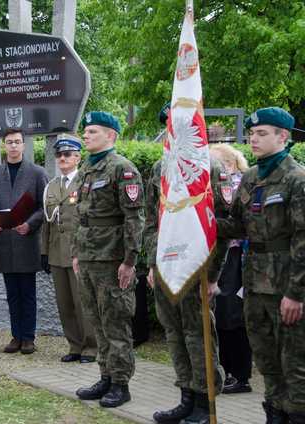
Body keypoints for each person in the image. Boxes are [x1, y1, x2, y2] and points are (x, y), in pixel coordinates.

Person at [218, 107, 305, 424]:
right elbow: (238, 226)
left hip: (286, 287)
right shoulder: (252, 178)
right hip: (254, 283)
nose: (253, 138)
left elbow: (303, 240)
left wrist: (296, 293)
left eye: (262, 133)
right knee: (267, 359)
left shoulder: (297, 180)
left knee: (294, 362)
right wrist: (204, 222)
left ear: (283, 137)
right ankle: (275, 413)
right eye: (252, 133)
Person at [145, 105, 230, 424]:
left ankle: (204, 399)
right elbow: (155, 221)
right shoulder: (159, 167)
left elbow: (220, 223)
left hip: (198, 267)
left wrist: (214, 274)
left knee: (198, 334)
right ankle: (185, 396)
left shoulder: (210, 166)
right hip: (167, 268)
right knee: (175, 333)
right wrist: (153, 265)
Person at [72, 111, 144, 408]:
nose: (85, 136)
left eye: (92, 132)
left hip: (112, 259)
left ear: (110, 136)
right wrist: (76, 254)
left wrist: (129, 261)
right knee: (97, 322)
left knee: (116, 323)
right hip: (89, 257)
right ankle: (105, 375)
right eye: (85, 132)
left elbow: (134, 219)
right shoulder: (86, 170)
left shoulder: (122, 169)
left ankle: (120, 383)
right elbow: (81, 217)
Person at [0, 128, 48, 355]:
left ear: (24, 145)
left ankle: (28, 338)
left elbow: (45, 207)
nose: (13, 146)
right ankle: (15, 336)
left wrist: (30, 224)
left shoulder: (36, 173)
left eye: (17, 142)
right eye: (9, 142)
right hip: (4, 241)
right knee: (11, 293)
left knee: (28, 292)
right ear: (4, 146)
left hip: (27, 240)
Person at [41, 133, 97, 363]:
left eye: (67, 154)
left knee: (83, 302)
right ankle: (74, 345)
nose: (62, 158)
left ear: (77, 157)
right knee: (64, 304)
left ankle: (91, 347)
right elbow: (47, 224)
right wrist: (44, 252)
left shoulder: (86, 182)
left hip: (79, 253)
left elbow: (92, 220)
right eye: (59, 155)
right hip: (56, 253)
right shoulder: (51, 186)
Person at [209, 143, 253, 395]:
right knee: (222, 317)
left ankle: (240, 375)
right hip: (218, 256)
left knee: (231, 317)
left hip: (235, 256)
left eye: (215, 162)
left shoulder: (235, 185)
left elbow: (234, 224)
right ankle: (227, 371)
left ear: (230, 164)